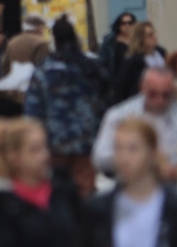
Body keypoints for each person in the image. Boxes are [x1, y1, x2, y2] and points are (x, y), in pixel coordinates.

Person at [23, 15, 105, 196]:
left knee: (57, 191)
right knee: (85, 188)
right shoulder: (91, 67)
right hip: (87, 141)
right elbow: (104, 103)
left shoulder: (44, 69)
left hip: (54, 142)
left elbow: (33, 110)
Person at [0, 117, 82, 247]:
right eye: (35, 150)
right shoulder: (1, 205)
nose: (44, 155)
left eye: (45, 147)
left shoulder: (63, 189)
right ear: (14, 157)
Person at [82, 117, 177, 247]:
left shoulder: (172, 207)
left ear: (152, 153)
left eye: (133, 149)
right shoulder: (97, 209)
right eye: (118, 148)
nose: (124, 158)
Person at [94, 67, 177, 176]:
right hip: (131, 183)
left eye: (166, 95)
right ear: (142, 88)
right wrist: (138, 161)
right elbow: (100, 157)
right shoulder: (119, 115)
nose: (159, 100)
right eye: (152, 94)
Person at [114, 20, 168, 105]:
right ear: (141, 39)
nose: (155, 36)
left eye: (154, 33)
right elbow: (122, 88)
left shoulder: (161, 53)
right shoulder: (134, 61)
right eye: (150, 35)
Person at [99, 11, 138, 85]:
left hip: (136, 81)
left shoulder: (139, 40)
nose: (127, 26)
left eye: (130, 23)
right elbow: (102, 62)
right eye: (123, 23)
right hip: (117, 82)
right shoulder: (110, 42)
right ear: (119, 25)